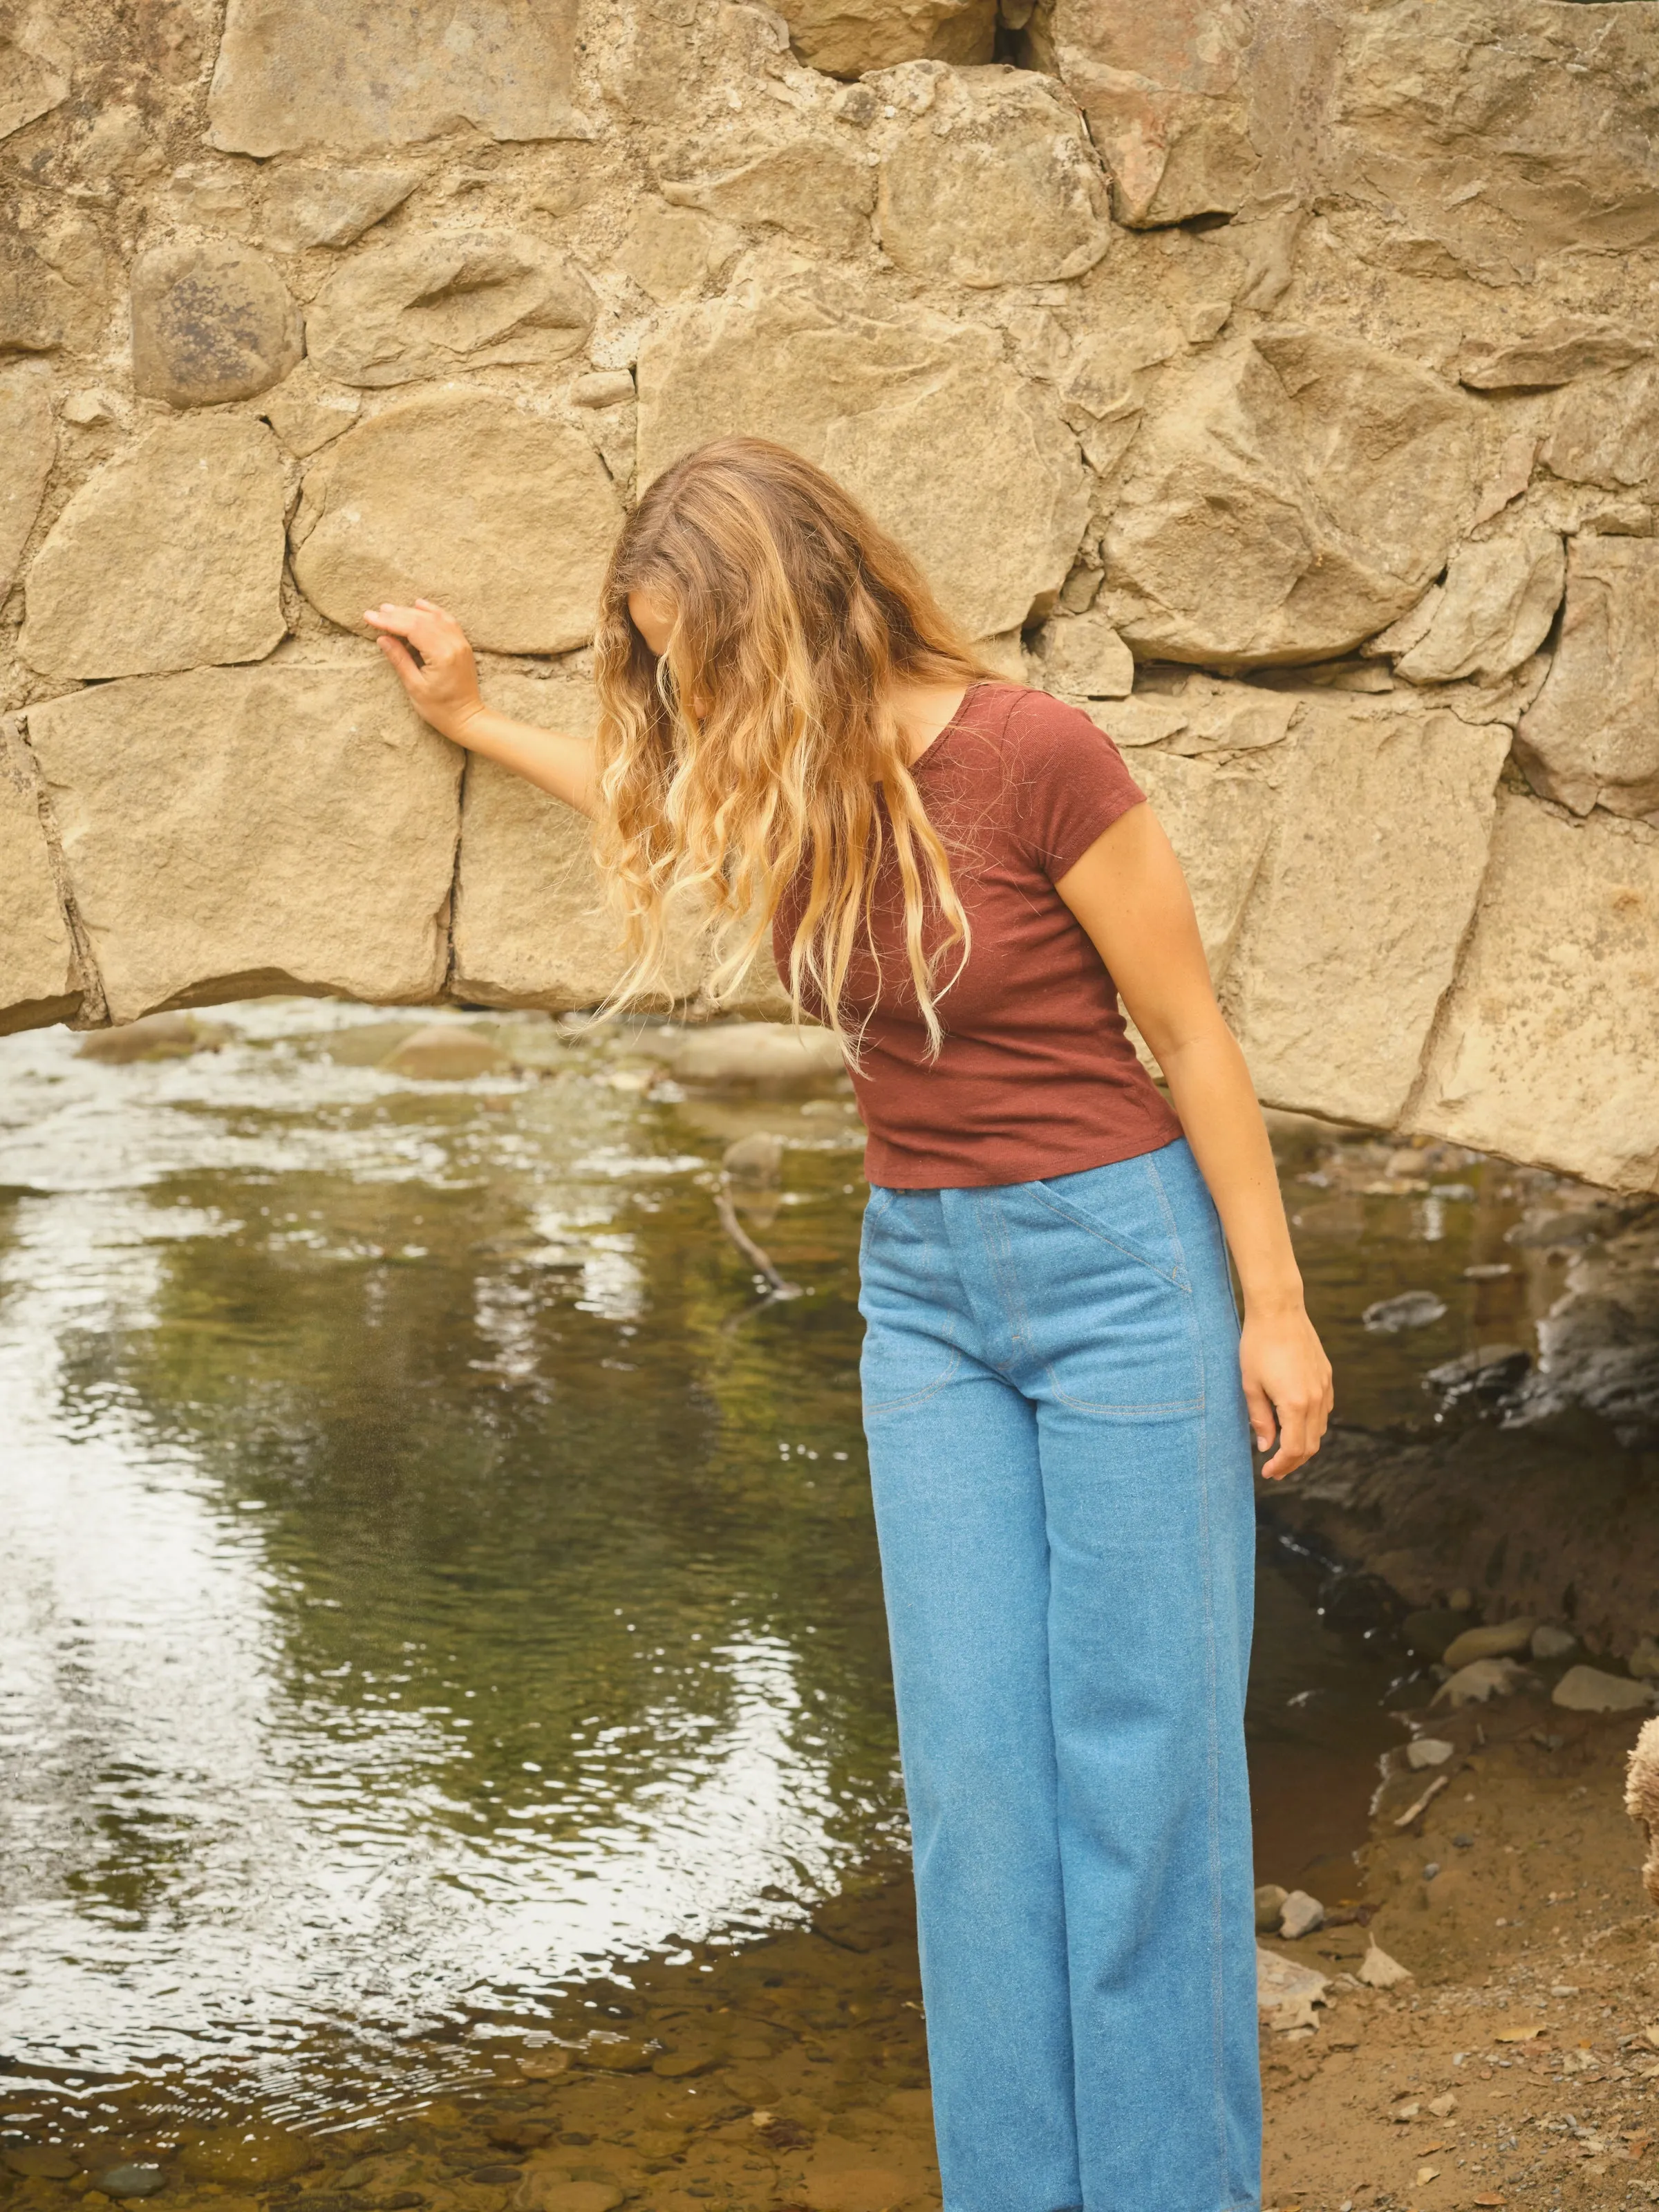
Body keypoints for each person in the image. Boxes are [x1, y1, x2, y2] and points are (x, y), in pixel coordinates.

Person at [367, 435, 1332, 2212]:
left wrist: (1275, 1310)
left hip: (1128, 1273)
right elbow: (643, 810)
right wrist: (477, 719)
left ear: (794, 609)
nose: (683, 694)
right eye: (660, 664)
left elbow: (1193, 1038)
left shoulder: (1036, 754)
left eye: (697, 654)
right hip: (926, 1297)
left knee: (1144, 1776)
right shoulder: (783, 779)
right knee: (973, 1791)